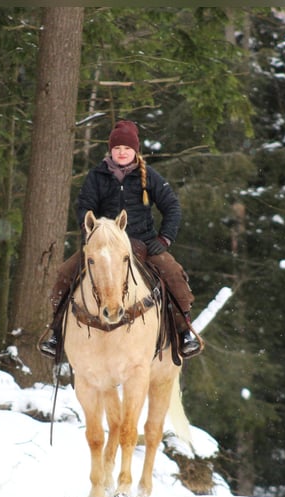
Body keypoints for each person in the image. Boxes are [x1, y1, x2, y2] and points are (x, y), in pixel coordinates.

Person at [39, 119, 202, 359]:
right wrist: (92, 234)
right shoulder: (97, 176)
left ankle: (183, 331)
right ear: (111, 151)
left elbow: (172, 207)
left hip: (143, 243)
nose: (122, 153)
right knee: (65, 274)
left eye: (126, 149)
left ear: (135, 151)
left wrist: (165, 239)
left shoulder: (150, 177)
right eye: (117, 149)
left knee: (174, 274)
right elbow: (84, 207)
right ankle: (56, 332)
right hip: (102, 245)